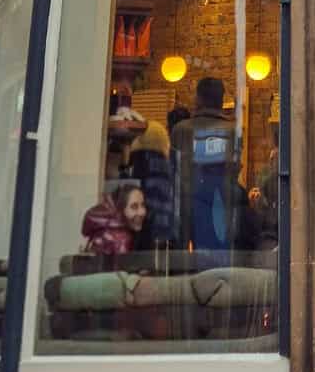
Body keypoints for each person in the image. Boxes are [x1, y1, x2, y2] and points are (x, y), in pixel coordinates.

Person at [170, 77, 257, 255]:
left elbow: (175, 170)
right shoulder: (233, 131)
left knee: (183, 254)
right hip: (223, 200)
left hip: (188, 200)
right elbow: (236, 167)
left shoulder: (181, 129)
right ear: (221, 99)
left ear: (198, 98)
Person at [81, 182, 153, 258]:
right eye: (134, 207)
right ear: (120, 210)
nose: (142, 212)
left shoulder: (102, 228)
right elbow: (123, 267)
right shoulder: (120, 238)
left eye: (143, 205)